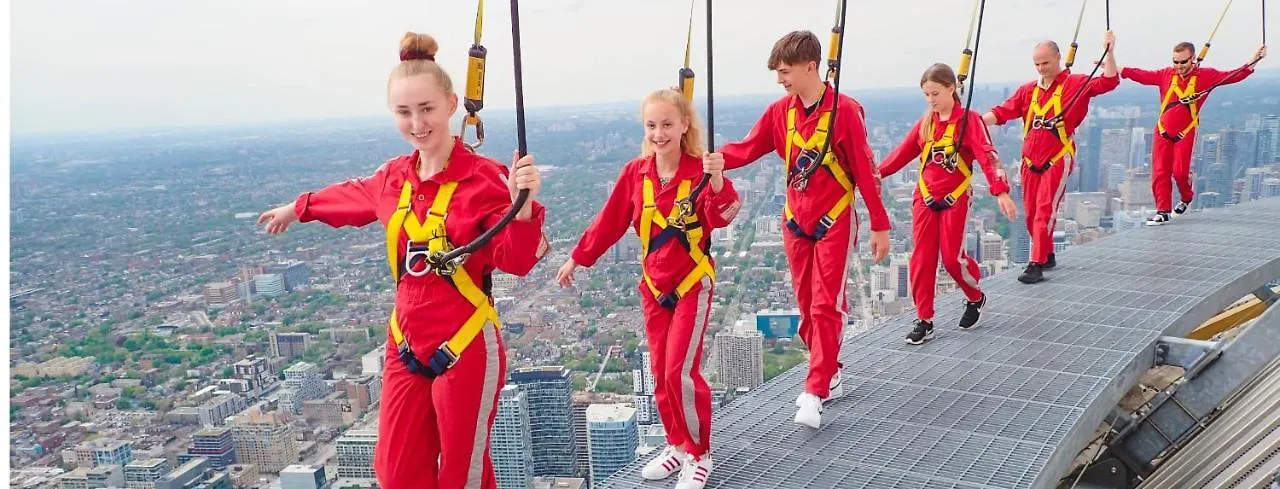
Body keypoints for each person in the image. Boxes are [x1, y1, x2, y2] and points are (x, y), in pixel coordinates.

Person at [256, 32, 548, 489]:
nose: (417, 123)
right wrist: (300, 208)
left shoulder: (487, 179)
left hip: (466, 344)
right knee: (396, 474)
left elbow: (517, 260)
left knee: (461, 477)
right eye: (404, 112)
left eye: (427, 109)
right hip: (406, 342)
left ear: (452, 104)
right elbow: (348, 197)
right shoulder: (393, 177)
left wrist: (523, 206)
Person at [703, 30, 891, 430]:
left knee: (825, 305)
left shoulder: (844, 112)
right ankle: (831, 371)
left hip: (834, 221)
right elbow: (749, 147)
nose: (780, 79)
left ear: (810, 67)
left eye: (785, 71)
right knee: (807, 307)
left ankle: (816, 388)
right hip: (796, 221)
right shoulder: (781, 113)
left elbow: (863, 169)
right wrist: (712, 160)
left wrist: (879, 225)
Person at [558, 88, 738, 489]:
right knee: (659, 374)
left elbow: (722, 216)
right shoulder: (636, 175)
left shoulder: (700, 171)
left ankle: (699, 452)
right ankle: (676, 444)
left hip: (692, 285)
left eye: (667, 124)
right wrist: (578, 257)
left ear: (684, 125)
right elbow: (609, 222)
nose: (659, 133)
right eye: (652, 125)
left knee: (679, 373)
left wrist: (718, 179)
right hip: (655, 288)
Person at [879, 63, 1017, 345]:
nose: (931, 100)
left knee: (952, 258)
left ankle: (975, 297)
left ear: (952, 89)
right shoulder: (926, 124)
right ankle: (925, 319)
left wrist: (1001, 191)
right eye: (927, 95)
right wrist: (873, 175)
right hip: (925, 197)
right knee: (922, 259)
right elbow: (901, 154)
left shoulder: (969, 121)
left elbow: (987, 157)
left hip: (955, 197)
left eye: (936, 93)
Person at [981, 31, 1119, 284]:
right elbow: (1003, 112)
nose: (1042, 68)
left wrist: (1109, 53)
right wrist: (976, 122)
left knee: (1045, 210)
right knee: (1032, 214)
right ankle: (1047, 254)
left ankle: (1036, 264)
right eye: (1037, 64)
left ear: (1058, 58)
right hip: (1029, 162)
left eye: (1046, 63)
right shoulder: (1028, 91)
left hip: (1056, 159)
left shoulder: (1075, 84)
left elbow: (1109, 82)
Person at [1121, 43, 1266, 226]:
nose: (1179, 66)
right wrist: (1120, 69)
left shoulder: (1205, 76)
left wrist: (1254, 60)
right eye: (1176, 62)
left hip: (1185, 132)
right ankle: (1163, 211)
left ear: (1192, 59)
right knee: (1160, 172)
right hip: (1162, 131)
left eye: (1183, 62)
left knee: (1180, 173)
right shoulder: (1166, 74)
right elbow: (1142, 75)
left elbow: (1232, 76)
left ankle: (1186, 197)